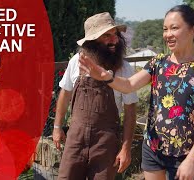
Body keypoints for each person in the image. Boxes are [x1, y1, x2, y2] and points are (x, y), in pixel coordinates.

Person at [79, 5, 194, 180]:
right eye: (165, 29)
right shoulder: (158, 62)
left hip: (184, 154)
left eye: (174, 28)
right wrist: (103, 75)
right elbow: (130, 85)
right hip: (152, 149)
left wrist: (191, 160)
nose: (168, 34)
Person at [53, 12, 138, 179]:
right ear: (92, 41)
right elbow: (65, 93)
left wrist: (126, 148)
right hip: (75, 139)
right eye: (106, 35)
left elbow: (130, 110)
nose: (114, 40)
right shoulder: (76, 62)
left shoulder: (124, 69)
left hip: (106, 142)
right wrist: (57, 127)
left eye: (115, 34)